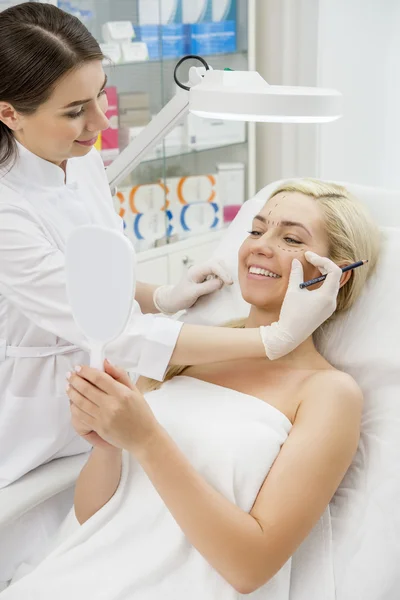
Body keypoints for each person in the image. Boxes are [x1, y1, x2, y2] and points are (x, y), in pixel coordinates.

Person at [0, 3, 346, 587]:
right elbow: (114, 332)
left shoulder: (329, 395)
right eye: (75, 112)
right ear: (9, 113)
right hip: (34, 424)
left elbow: (91, 282)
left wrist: (159, 296)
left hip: (105, 433)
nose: (100, 125)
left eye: (102, 96)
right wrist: (272, 339)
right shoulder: (8, 212)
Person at [1, 179, 381, 598]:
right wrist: (107, 443)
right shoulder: (184, 352)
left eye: (290, 238)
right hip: (78, 574)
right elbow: (91, 517)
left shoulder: (328, 393)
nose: (259, 245)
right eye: (255, 230)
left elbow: (249, 566)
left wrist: (146, 439)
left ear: (336, 276)